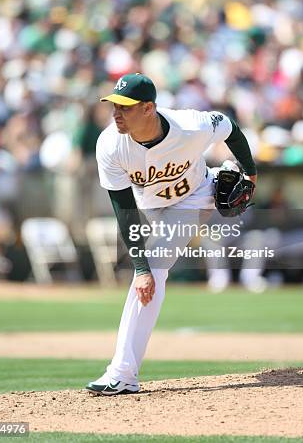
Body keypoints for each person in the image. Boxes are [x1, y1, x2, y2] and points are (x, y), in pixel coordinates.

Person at [86, 73, 257, 395]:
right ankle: (124, 372)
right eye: (113, 105)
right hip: (149, 206)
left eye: (125, 106)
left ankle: (122, 373)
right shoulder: (110, 144)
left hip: (194, 196)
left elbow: (230, 127)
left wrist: (251, 172)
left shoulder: (190, 127)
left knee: (155, 265)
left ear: (149, 108)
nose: (116, 113)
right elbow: (124, 211)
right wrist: (139, 269)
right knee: (148, 269)